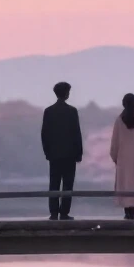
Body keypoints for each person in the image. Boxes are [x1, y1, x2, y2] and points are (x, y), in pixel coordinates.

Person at [41, 81, 83, 219]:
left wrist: (47, 152)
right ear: (66, 93)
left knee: (54, 183)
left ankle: (53, 212)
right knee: (67, 184)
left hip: (54, 155)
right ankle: (64, 212)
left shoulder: (49, 111)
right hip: (70, 155)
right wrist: (79, 153)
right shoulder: (72, 111)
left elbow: (44, 134)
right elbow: (77, 134)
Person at [110, 93, 134, 220]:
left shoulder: (119, 120)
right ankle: (132, 211)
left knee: (124, 183)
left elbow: (114, 142)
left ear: (123, 104)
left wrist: (114, 156)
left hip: (123, 157)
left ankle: (126, 211)